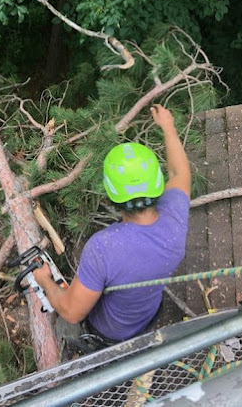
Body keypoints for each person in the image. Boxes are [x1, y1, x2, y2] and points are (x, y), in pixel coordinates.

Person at [33, 104, 191, 345]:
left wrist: (44, 280)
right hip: (148, 312)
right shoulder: (175, 216)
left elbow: (73, 312)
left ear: (110, 194)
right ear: (157, 183)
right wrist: (168, 127)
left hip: (110, 330)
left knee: (66, 324)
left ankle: (90, 348)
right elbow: (180, 172)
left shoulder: (104, 248)